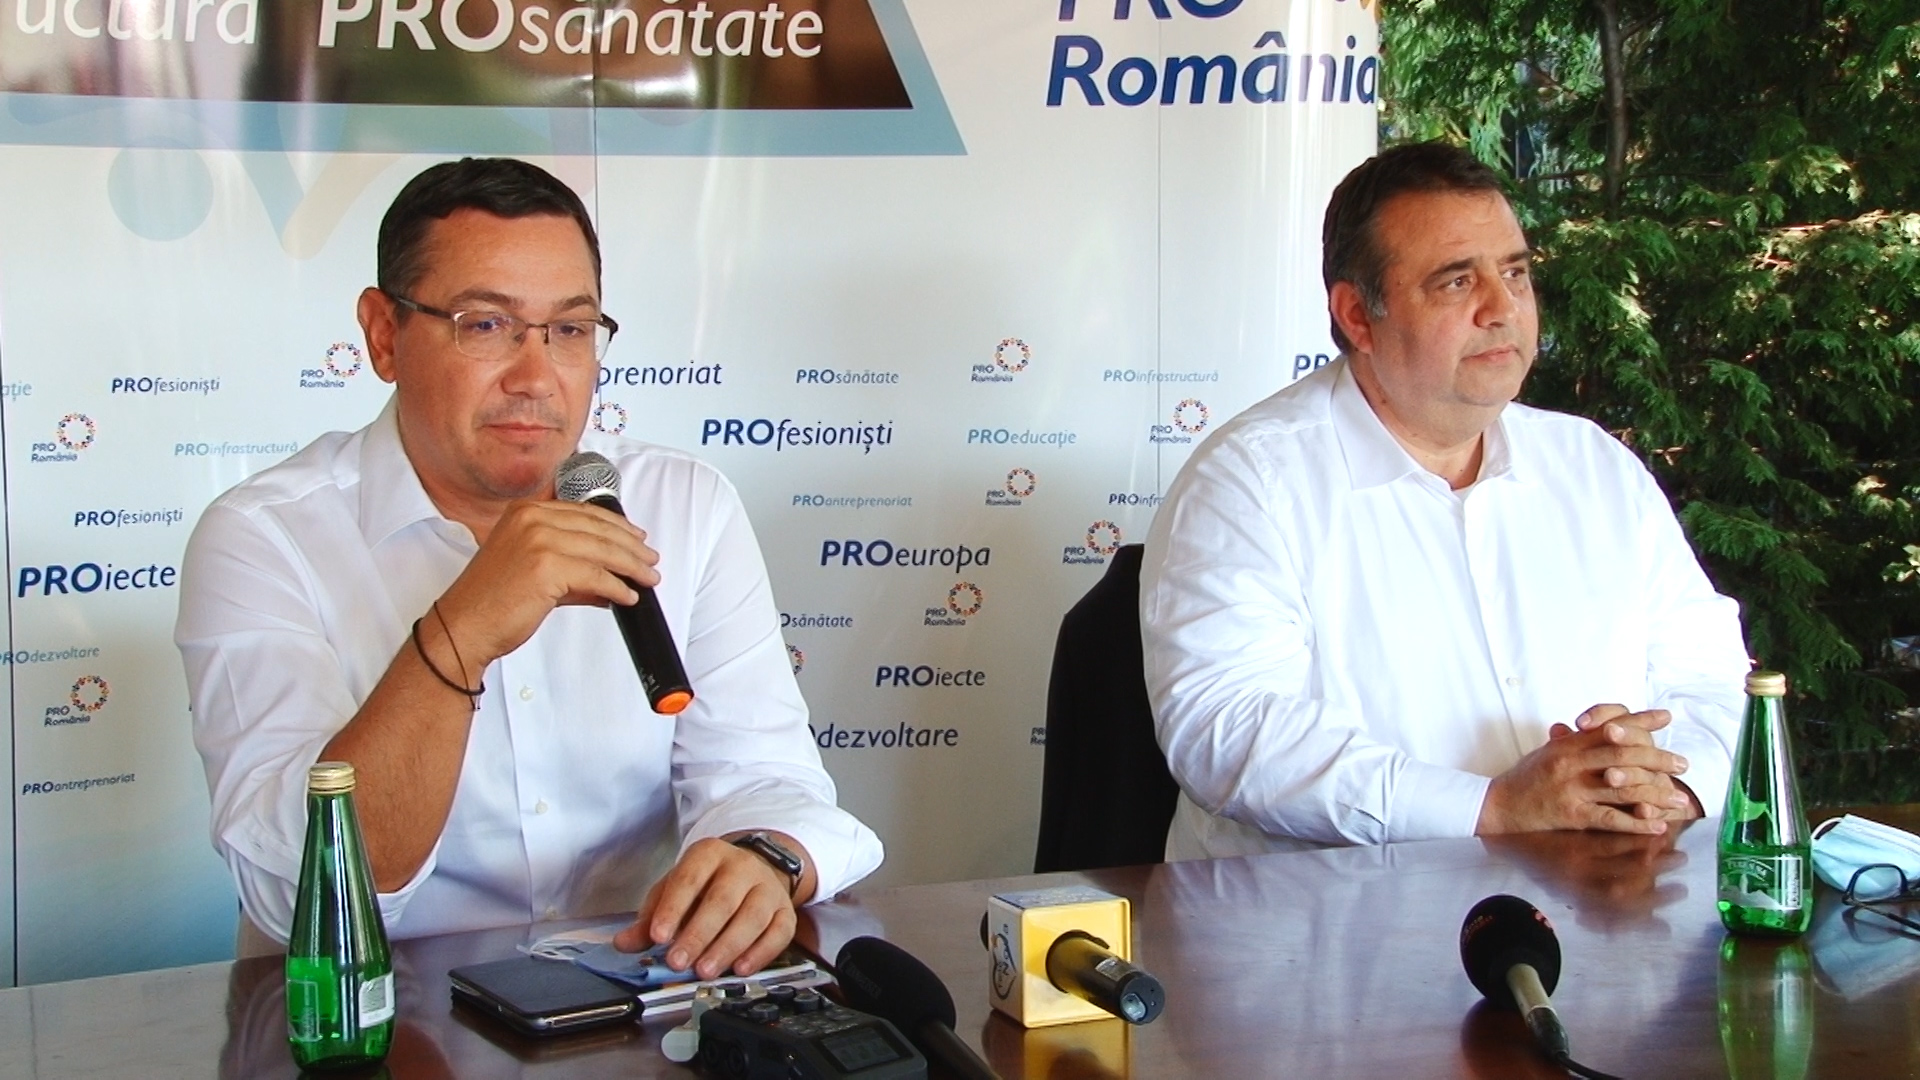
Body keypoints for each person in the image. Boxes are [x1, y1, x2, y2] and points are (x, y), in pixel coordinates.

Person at [177, 158, 881, 977]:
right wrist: (465, 628)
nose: (537, 378)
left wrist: (763, 856)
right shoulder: (264, 537)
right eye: (485, 324)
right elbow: (300, 893)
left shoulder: (684, 503)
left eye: (570, 331)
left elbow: (765, 779)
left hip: (638, 992)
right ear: (383, 335)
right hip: (386, 1008)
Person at [1140, 141, 1751, 859]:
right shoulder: (1248, 482)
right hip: (1333, 915)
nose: (1503, 308)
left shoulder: (1595, 467)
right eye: (1458, 282)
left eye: (1515, 273)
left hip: (1601, 901)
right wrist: (1491, 809)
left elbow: (1712, 678)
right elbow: (1227, 730)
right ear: (1358, 317)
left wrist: (1667, 786)